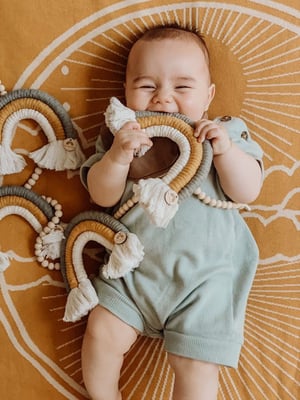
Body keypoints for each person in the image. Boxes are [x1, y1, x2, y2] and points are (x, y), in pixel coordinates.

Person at [80, 24, 263, 400]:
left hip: (205, 284)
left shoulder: (222, 133)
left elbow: (248, 191)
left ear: (208, 95)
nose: (163, 100)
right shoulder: (123, 139)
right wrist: (117, 156)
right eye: (147, 87)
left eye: (182, 87)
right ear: (126, 92)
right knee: (101, 331)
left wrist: (226, 151)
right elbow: (100, 194)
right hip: (132, 275)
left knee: (197, 367)